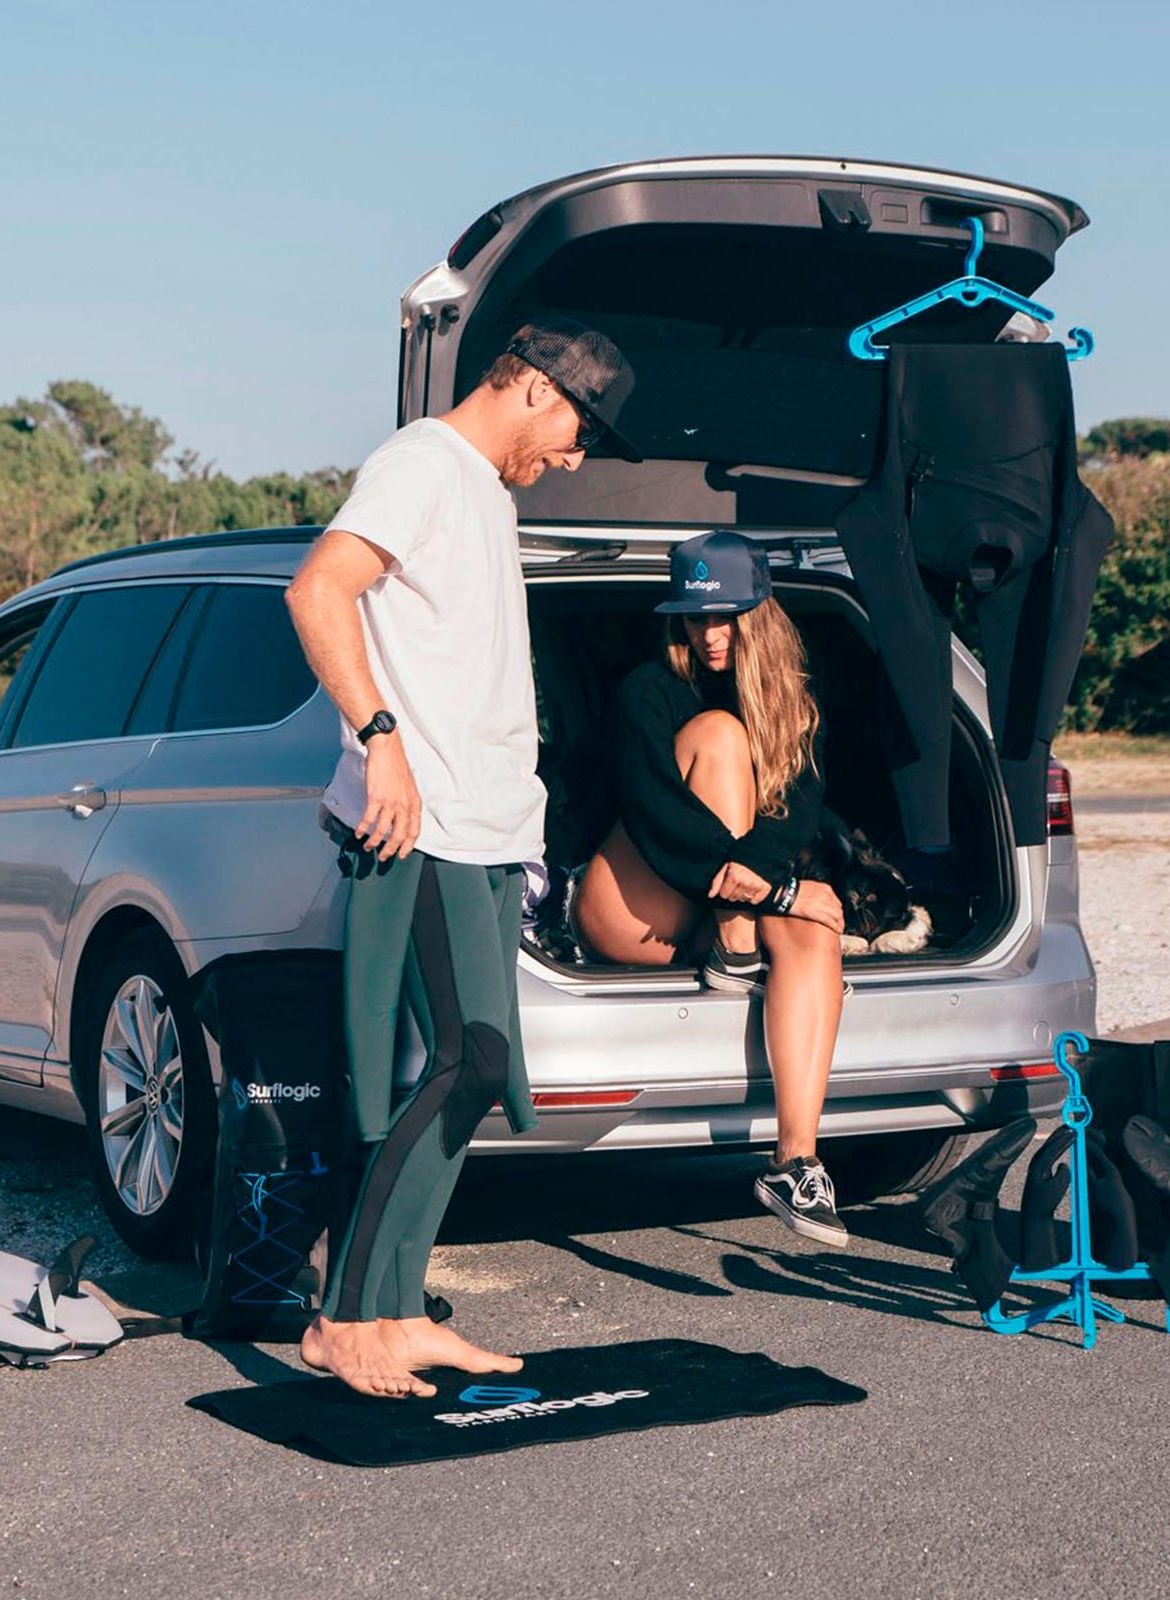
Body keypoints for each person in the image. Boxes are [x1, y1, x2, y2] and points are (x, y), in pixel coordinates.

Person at [285, 318, 640, 1398]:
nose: (575, 457)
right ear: (535, 388)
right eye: (580, 428)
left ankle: (398, 1312)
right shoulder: (422, 465)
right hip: (425, 820)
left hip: (485, 825)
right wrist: (380, 742)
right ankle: (347, 1318)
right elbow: (317, 589)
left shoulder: (484, 491)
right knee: (468, 1059)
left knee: (477, 1071)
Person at [570, 532, 852, 1248]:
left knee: (817, 934)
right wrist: (778, 895)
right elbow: (655, 815)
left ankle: (796, 1163)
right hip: (630, 904)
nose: (709, 633)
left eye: (726, 616)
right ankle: (735, 942)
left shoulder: (795, 701)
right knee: (722, 737)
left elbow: (796, 812)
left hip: (722, 900)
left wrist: (783, 894)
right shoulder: (649, 689)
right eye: (695, 618)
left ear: (761, 615)